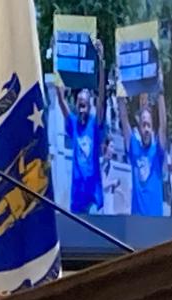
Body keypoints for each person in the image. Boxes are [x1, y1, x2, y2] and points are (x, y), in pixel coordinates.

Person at [54, 38, 106, 214]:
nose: (81, 104)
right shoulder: (73, 125)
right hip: (76, 201)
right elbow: (60, 98)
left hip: (93, 199)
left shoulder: (95, 124)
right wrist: (57, 54)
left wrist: (100, 61)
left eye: (85, 102)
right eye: (79, 102)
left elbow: (101, 94)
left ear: (90, 105)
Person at [118, 75, 167, 217]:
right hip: (137, 219)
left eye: (148, 125)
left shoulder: (157, 151)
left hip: (156, 220)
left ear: (152, 128)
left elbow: (163, 125)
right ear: (139, 128)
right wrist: (120, 86)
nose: (146, 129)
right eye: (143, 125)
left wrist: (160, 90)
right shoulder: (134, 147)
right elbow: (123, 118)